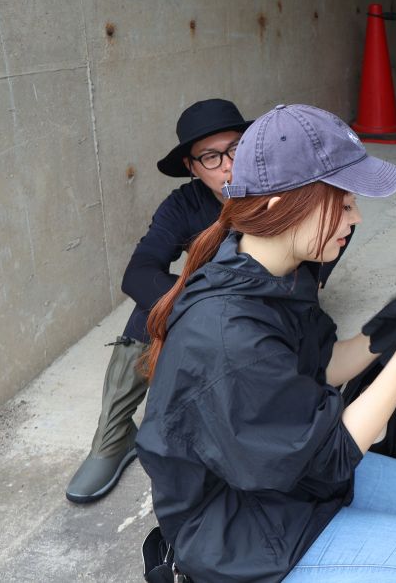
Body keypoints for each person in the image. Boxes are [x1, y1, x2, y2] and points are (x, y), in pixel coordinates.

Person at [135, 103, 396, 583]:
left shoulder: (280, 269)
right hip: (243, 530)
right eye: (342, 204)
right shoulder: (229, 336)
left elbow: (322, 366)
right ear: (281, 206)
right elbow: (334, 456)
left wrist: (395, 327)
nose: (355, 217)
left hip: (285, 478)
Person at [66, 99, 252, 503]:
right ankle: (113, 438)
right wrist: (198, 300)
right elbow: (138, 273)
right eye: (211, 156)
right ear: (191, 166)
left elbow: (334, 219)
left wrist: (315, 280)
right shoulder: (184, 205)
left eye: (236, 148)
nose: (228, 165)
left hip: (270, 306)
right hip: (214, 307)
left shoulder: (280, 185)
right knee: (152, 303)